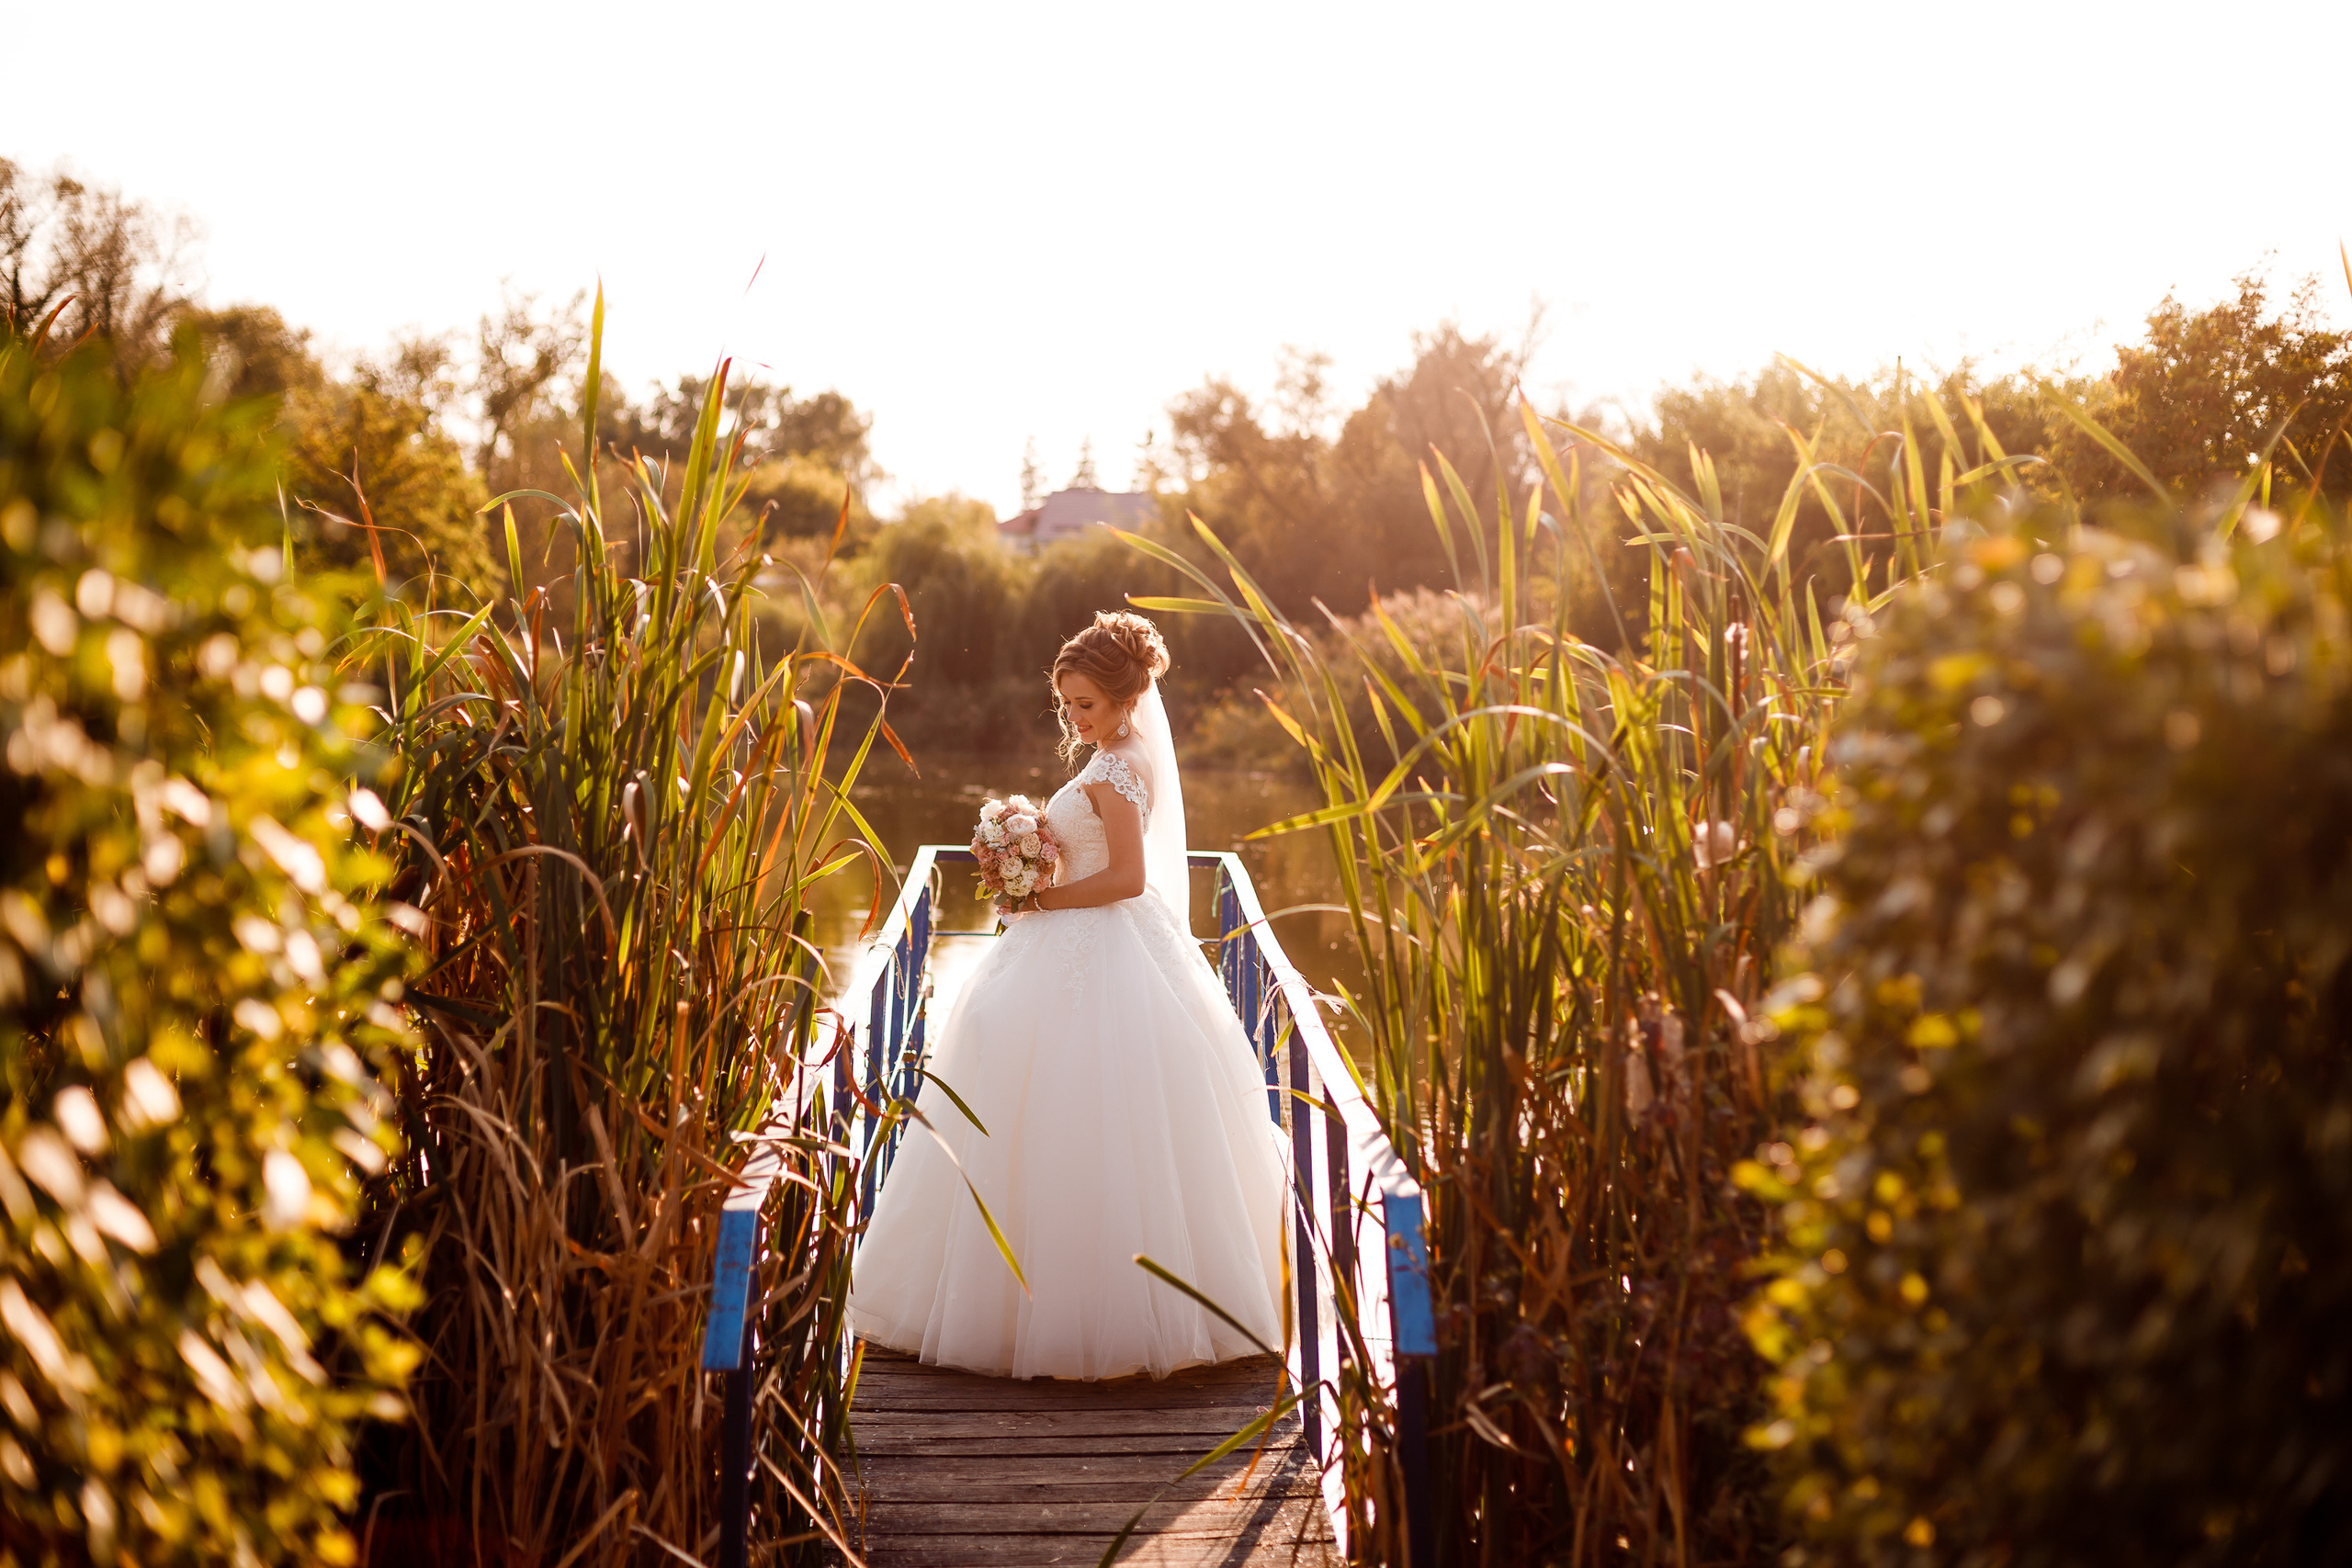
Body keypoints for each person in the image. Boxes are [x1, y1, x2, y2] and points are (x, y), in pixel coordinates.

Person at [847, 611, 1288, 1381]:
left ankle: (1078, 1314)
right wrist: (1025, 852)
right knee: (1018, 1068)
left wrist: (1038, 900)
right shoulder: (1117, 752)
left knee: (1075, 1101)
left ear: (1125, 697)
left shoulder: (1119, 767)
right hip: (1087, 933)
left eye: (1086, 703)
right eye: (1067, 704)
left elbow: (1128, 877)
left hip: (1101, 933)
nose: (1075, 717)